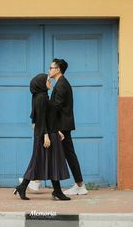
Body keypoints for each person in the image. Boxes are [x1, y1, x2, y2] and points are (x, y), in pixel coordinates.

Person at [13, 73, 71, 201]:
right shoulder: (41, 98)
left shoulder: (41, 96)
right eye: (47, 80)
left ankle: (55, 191)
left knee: (48, 161)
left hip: (50, 132)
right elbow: (40, 119)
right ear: (41, 84)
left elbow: (45, 117)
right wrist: (46, 136)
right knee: (42, 160)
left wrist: (57, 131)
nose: (50, 82)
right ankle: (56, 191)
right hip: (45, 134)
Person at [49, 58, 88, 196]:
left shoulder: (61, 85)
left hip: (62, 127)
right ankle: (79, 184)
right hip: (62, 126)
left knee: (68, 154)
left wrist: (55, 127)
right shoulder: (61, 83)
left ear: (58, 69)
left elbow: (56, 107)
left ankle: (80, 185)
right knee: (66, 154)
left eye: (51, 67)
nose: (49, 70)